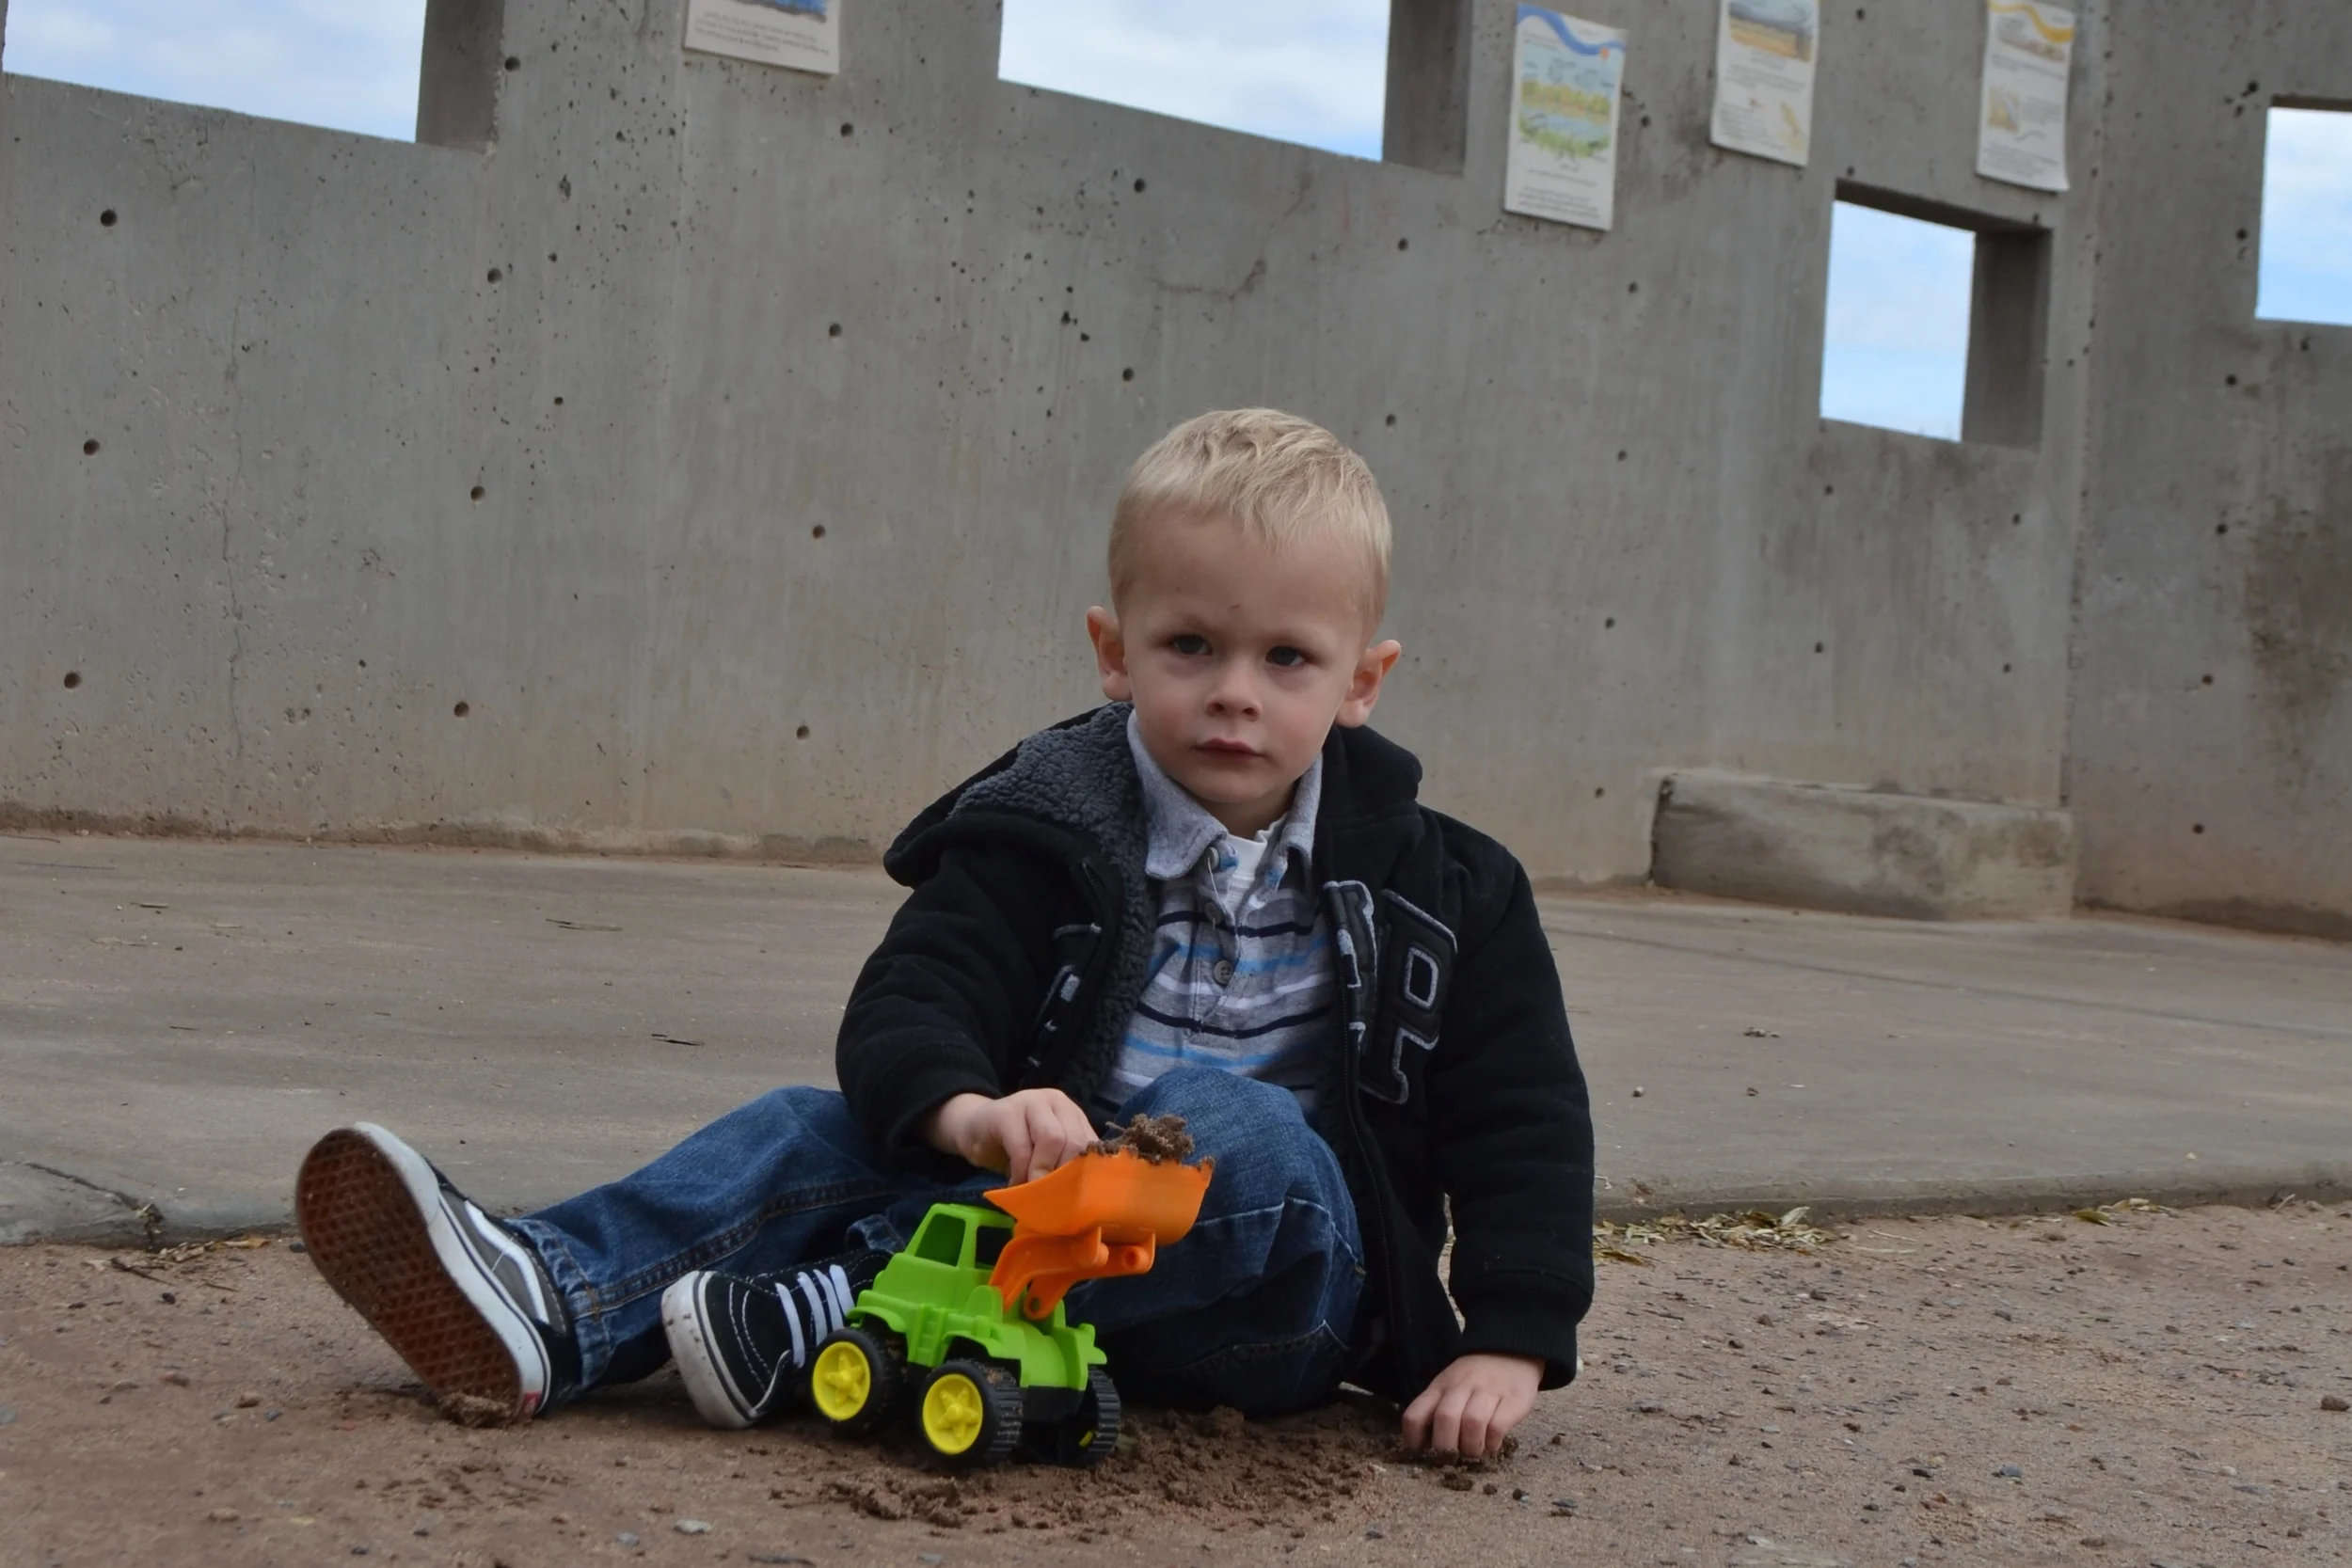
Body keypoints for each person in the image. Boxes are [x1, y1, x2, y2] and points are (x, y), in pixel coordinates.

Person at [294, 407, 1595, 1459]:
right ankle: (552, 1300)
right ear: (1115, 651)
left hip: (1272, 1300)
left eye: (1288, 659)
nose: (1234, 694)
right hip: (1029, 1247)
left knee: (1233, 1126)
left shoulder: (1452, 889)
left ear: (1363, 679)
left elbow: (1520, 1117)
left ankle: (840, 1311)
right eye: (1191, 645)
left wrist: (1510, 1338)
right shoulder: (1049, 827)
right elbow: (917, 993)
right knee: (804, 1128)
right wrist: (971, 1112)